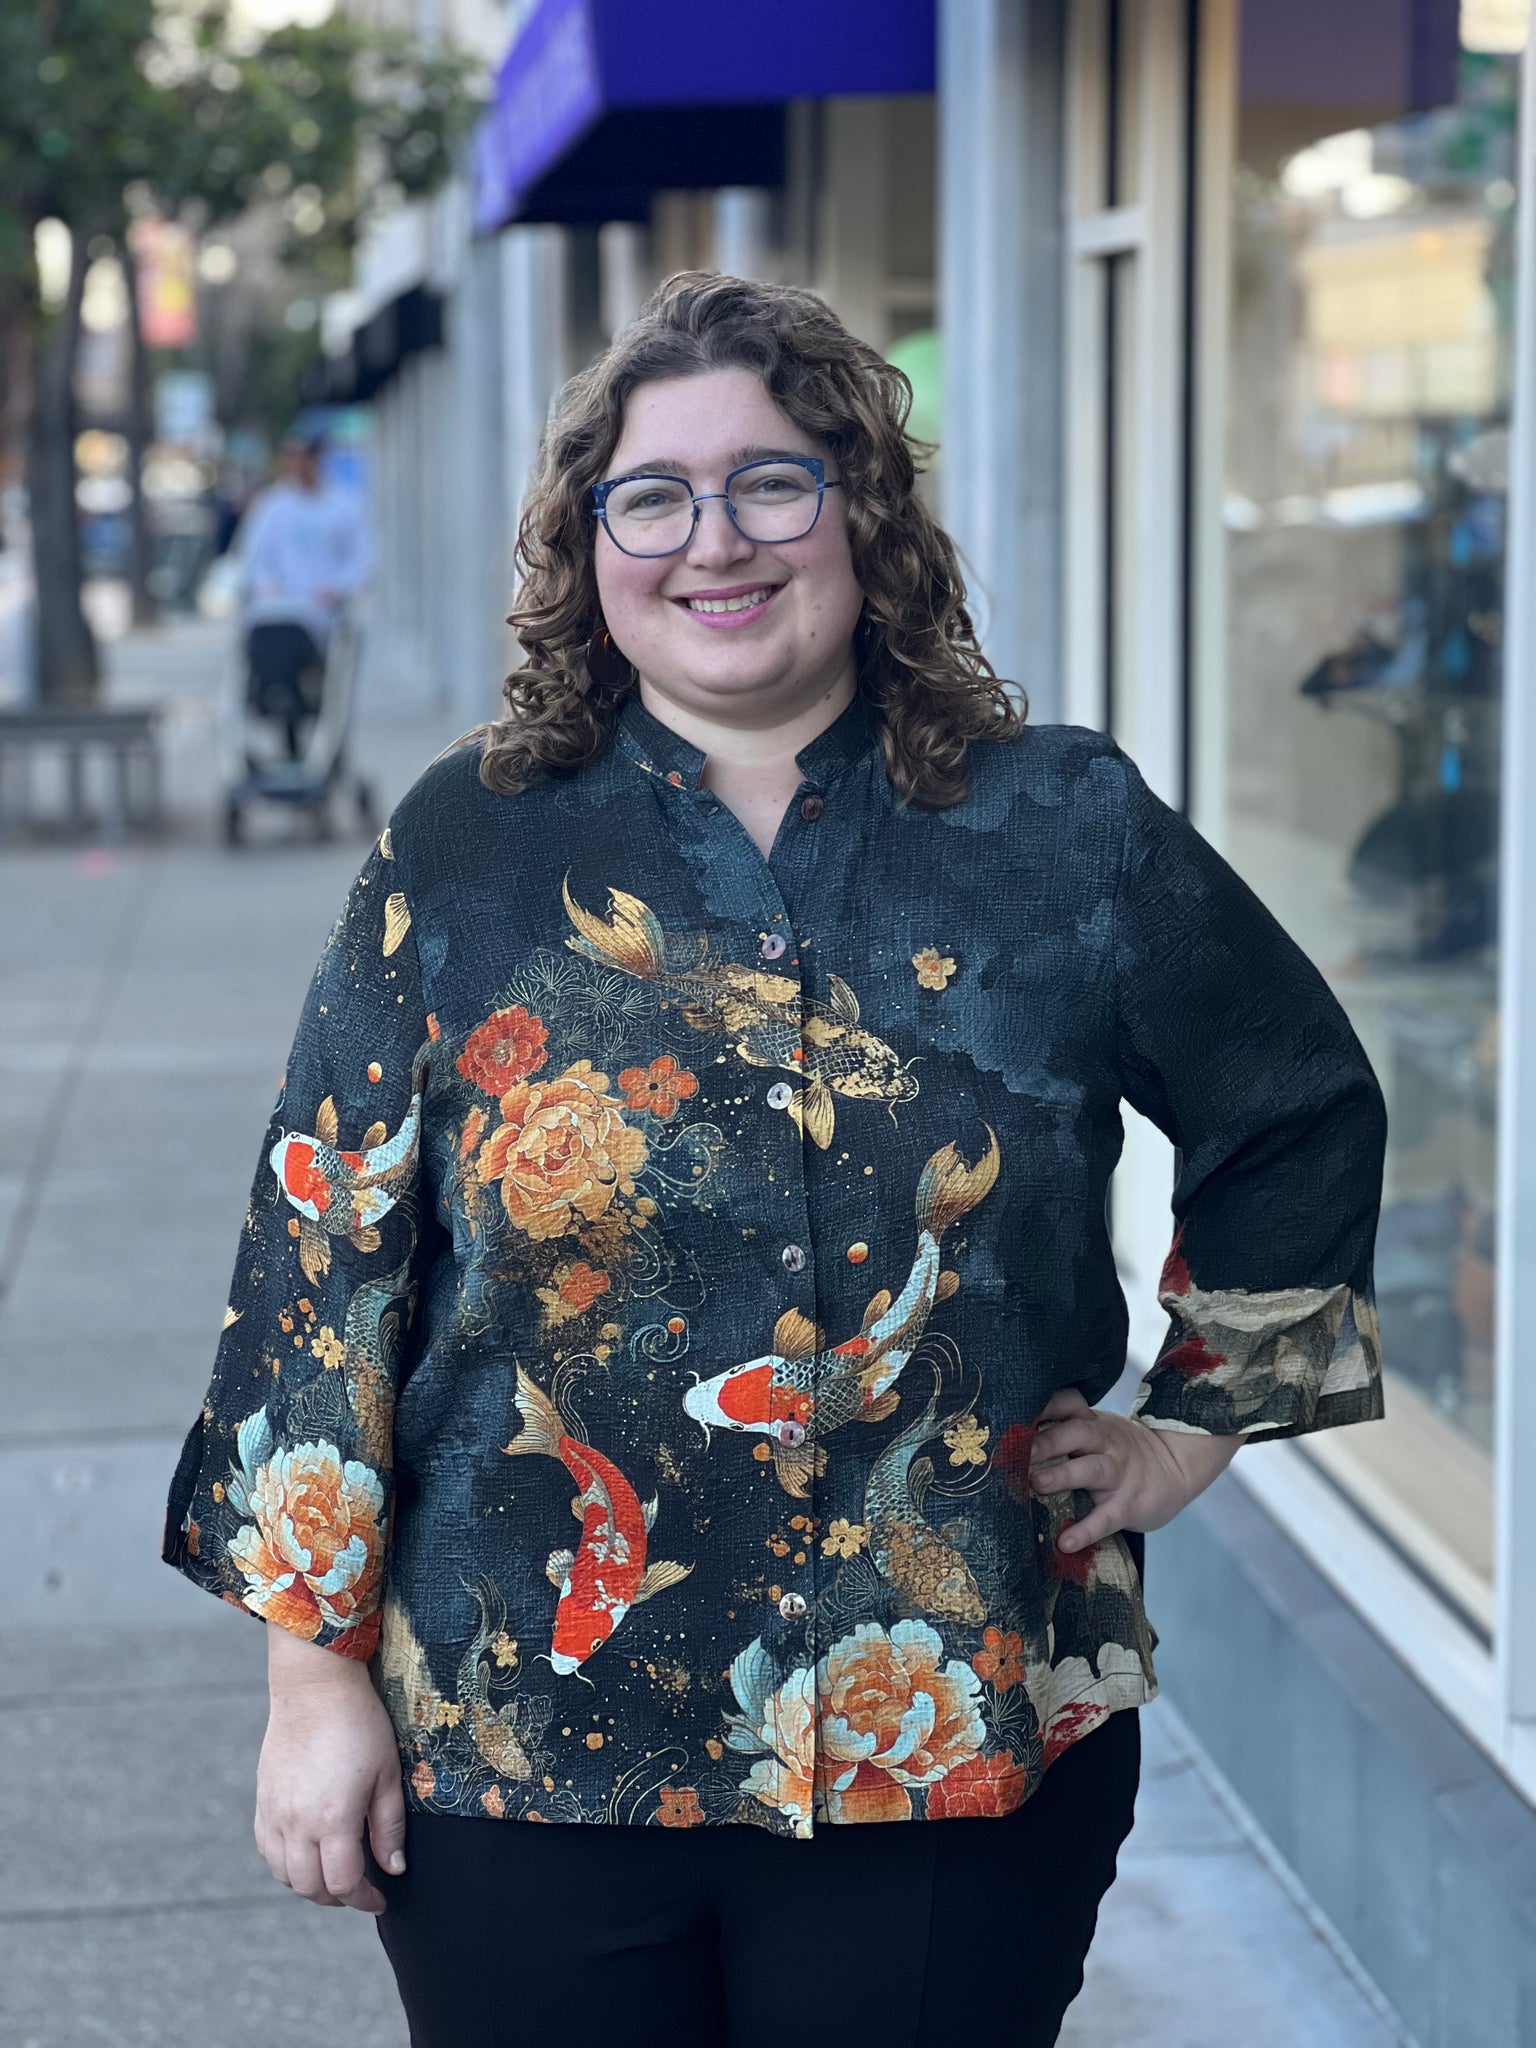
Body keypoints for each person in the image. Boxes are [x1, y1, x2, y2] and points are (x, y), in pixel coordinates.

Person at [163, 274, 1387, 2047]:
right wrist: (309, 1684)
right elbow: (323, 1256)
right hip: (523, 1747)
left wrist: (1194, 1427)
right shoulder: (466, 847)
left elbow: (1297, 1109)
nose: (712, 540)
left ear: (861, 511)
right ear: (591, 544)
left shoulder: (1061, 828)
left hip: (951, 1732)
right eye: (653, 496)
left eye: (771, 482)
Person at [235, 426, 374, 756]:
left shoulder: (344, 505)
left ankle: (321, 745)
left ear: (317, 460)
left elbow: (363, 558)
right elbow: (255, 557)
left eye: (304, 458)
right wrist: (264, 585)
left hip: (322, 613)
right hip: (278, 607)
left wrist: (339, 589)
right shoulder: (273, 506)